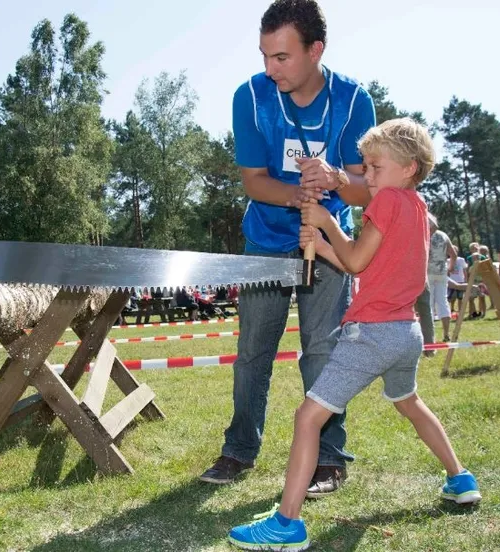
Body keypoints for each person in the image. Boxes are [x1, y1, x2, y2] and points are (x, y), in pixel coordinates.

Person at [228, 118, 480, 550]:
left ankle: (287, 525)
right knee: (410, 403)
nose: (366, 175)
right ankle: (460, 478)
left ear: (410, 168)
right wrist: (326, 244)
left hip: (372, 335)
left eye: (375, 167)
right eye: (364, 166)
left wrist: (326, 220)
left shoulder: (385, 203)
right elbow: (358, 261)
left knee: (308, 418)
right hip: (406, 333)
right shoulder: (418, 209)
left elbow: (357, 262)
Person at [199, 0, 376, 496]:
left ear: (315, 49)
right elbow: (254, 181)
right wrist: (297, 194)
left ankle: (328, 457)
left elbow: (367, 190)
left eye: (281, 57)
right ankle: (238, 450)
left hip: (329, 243)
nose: (269, 68)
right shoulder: (250, 98)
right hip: (265, 241)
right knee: (253, 352)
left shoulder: (354, 101)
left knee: (322, 351)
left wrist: (338, 179)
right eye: (264, 56)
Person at [427, 214, 456, 342]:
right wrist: (449, 268)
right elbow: (453, 254)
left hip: (427, 273)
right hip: (442, 272)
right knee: (443, 302)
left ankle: (431, 337)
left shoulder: (424, 235)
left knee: (429, 304)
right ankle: (446, 333)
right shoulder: (444, 235)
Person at [448, 245, 467, 313]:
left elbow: (464, 270)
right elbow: (447, 271)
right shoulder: (448, 260)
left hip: (460, 281)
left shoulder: (461, 260)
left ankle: (460, 310)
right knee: (450, 297)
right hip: (451, 281)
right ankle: (451, 309)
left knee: (460, 297)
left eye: (455, 250)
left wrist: (466, 279)